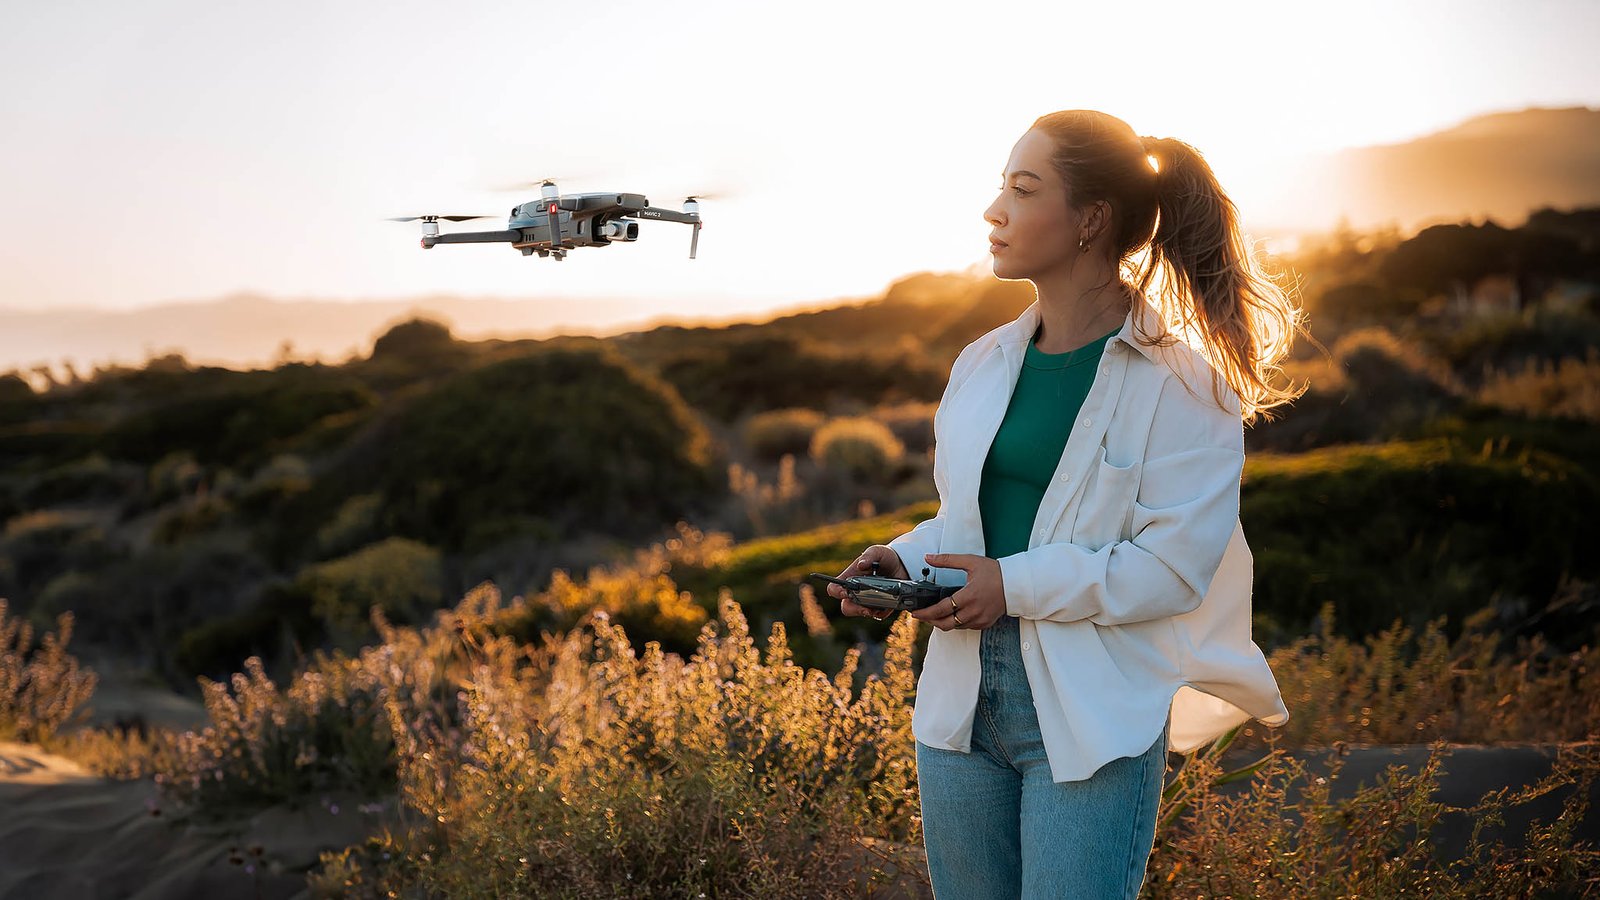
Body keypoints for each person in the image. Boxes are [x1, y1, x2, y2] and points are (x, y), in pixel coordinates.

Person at [825, 110, 1311, 898]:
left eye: (1023, 189)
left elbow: (1170, 572)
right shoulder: (983, 363)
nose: (995, 211)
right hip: (959, 706)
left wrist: (1010, 586)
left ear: (1090, 221)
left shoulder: (1186, 386)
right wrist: (905, 561)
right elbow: (970, 521)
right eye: (1001, 188)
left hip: (1093, 716)